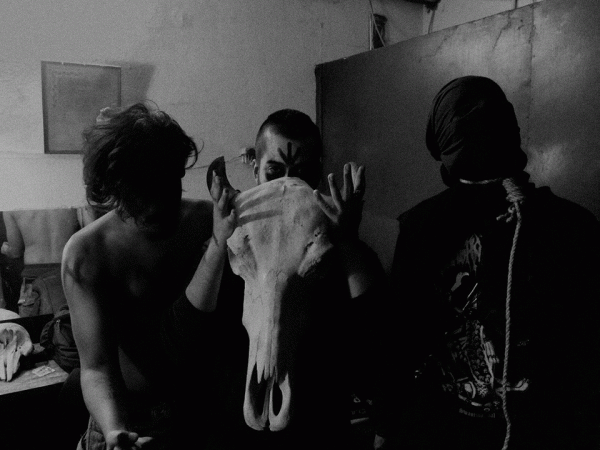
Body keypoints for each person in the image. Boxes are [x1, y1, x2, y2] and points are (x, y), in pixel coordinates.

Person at [371, 76, 600, 449]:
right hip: (531, 430)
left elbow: (400, 342)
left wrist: (385, 423)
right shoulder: (575, 225)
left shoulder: (419, 226)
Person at [182, 108, 385, 449]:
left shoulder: (340, 244)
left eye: (302, 174)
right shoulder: (227, 239)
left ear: (319, 171)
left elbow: (376, 332)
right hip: (233, 433)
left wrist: (347, 242)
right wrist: (219, 243)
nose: (287, 185)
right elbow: (188, 333)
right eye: (274, 172)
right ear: (254, 167)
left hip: (317, 430)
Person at [62, 102, 232, 450]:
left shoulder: (208, 223)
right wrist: (114, 430)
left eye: (168, 185)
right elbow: (96, 368)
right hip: (124, 421)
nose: (159, 205)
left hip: (200, 419)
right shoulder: (86, 255)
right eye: (143, 192)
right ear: (114, 188)